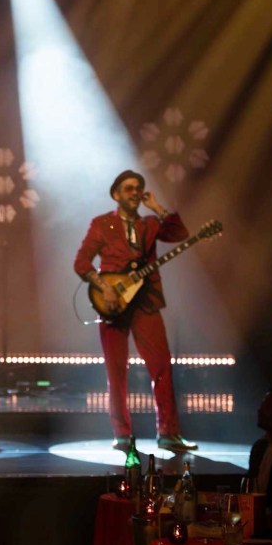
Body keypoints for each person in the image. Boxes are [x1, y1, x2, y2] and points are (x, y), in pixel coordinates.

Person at [73, 169, 196, 452]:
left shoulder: (150, 224)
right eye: (128, 188)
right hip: (112, 304)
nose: (134, 192)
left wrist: (157, 207)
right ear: (116, 194)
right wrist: (102, 286)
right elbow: (81, 262)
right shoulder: (102, 224)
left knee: (162, 365)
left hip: (146, 301)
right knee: (116, 371)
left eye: (138, 188)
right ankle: (122, 434)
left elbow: (180, 233)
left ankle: (168, 433)